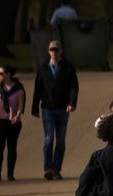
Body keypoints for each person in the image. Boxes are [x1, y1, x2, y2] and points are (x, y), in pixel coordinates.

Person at [31, 39, 78, 180]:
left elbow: (74, 87)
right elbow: (38, 88)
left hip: (63, 108)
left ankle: (56, 169)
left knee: (61, 140)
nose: (54, 52)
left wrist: (72, 103)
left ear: (61, 51)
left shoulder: (68, 68)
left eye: (56, 50)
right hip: (47, 108)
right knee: (49, 138)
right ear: (48, 51)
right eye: (52, 50)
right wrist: (34, 108)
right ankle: (48, 168)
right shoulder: (43, 68)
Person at [0, 65, 26, 182]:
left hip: (13, 122)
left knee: (12, 148)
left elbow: (20, 105)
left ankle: (10, 173)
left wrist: (17, 116)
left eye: (1, 73)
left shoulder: (18, 88)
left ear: (8, 74)